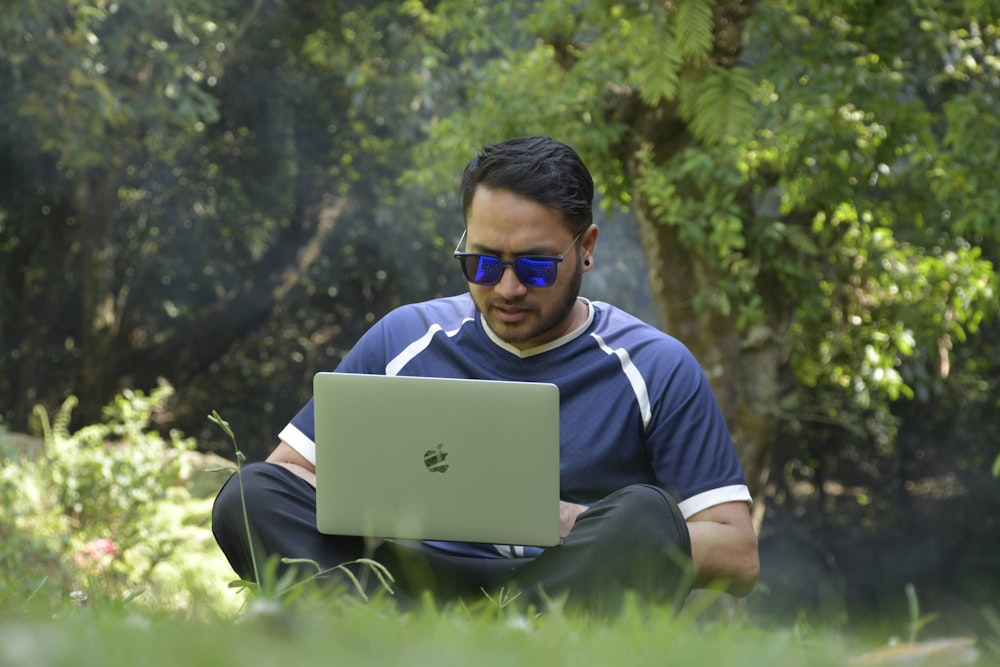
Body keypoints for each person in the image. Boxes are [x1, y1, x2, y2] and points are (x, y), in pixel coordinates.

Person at [212, 135, 759, 614]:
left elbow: (738, 555)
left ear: (586, 248)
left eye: (536, 266)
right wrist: (389, 501)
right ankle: (368, 626)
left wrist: (568, 520)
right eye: (483, 262)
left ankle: (524, 631)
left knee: (645, 515)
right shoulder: (405, 338)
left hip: (558, 587)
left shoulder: (656, 365)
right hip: (401, 583)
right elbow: (287, 477)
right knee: (249, 493)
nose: (507, 288)